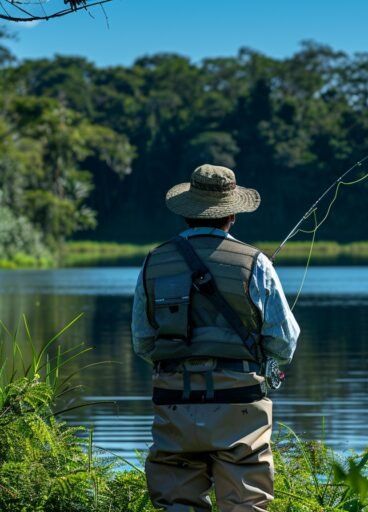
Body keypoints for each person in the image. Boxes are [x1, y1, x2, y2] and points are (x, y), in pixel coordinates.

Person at [131, 164, 300, 512]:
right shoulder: (256, 262)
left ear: (186, 211)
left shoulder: (154, 262)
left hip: (174, 401)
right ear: (233, 214)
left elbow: (143, 343)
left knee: (177, 504)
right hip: (240, 405)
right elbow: (284, 341)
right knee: (245, 505)